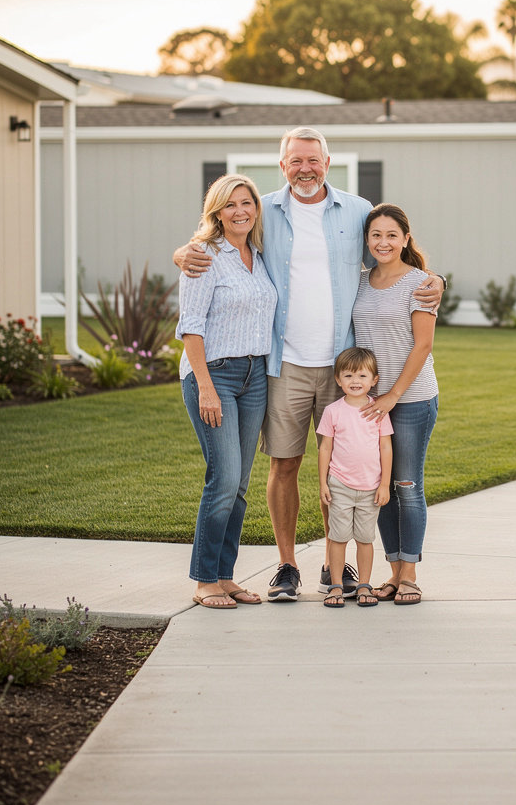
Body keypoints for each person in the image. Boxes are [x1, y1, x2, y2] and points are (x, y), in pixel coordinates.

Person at [174, 128, 443, 602]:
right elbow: (217, 244)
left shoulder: (358, 211)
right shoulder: (264, 215)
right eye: (295, 160)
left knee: (341, 466)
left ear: (327, 161)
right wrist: (183, 252)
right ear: (282, 166)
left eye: (312, 160)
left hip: (344, 369)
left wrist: (433, 278)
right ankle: (286, 565)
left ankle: (331, 565)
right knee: (285, 464)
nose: (305, 169)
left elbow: (390, 253)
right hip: (283, 364)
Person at [177, 174, 276, 609]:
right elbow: (191, 327)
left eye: (247, 203)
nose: (241, 211)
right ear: (216, 212)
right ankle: (203, 580)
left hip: (256, 377)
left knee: (239, 484)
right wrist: (206, 388)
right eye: (231, 205)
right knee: (223, 479)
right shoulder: (202, 257)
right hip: (213, 374)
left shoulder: (260, 255)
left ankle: (225, 575)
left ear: (256, 208)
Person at [353, 204, 439, 606]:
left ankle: (410, 574)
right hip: (370, 404)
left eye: (391, 235)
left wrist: (392, 396)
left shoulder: (421, 283)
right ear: (367, 241)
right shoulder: (360, 281)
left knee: (406, 485)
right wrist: (373, 397)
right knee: (379, 488)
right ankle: (392, 571)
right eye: (375, 235)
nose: (383, 242)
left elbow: (423, 345)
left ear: (405, 238)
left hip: (411, 400)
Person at [316, 347, 393, 609]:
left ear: (374, 380)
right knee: (337, 538)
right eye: (348, 376)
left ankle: (364, 585)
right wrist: (323, 483)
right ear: (338, 380)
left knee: (365, 538)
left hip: (371, 488)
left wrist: (384, 485)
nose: (355, 381)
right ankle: (335, 585)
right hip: (340, 485)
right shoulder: (333, 411)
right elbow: (325, 447)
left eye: (362, 376)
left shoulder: (378, 411)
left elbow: (385, 447)